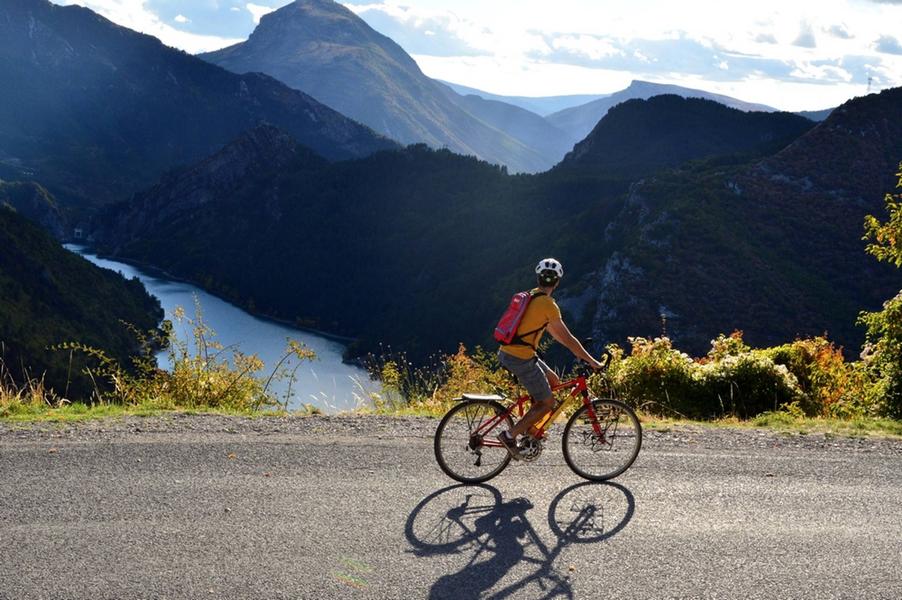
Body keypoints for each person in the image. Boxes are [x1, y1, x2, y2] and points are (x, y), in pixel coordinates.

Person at [496, 258, 603, 459]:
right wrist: (592, 361)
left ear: (538, 279)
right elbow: (568, 338)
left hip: (513, 352)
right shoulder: (548, 305)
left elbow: (558, 335)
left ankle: (530, 430)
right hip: (520, 357)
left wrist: (578, 353)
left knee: (554, 380)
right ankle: (510, 435)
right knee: (547, 403)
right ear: (557, 282)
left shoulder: (532, 295)